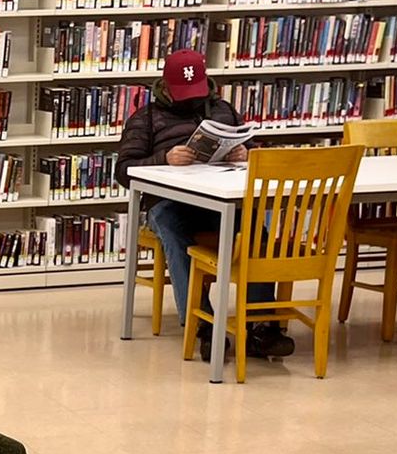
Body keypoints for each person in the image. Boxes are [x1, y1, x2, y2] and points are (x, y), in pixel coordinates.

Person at [113, 49, 295, 361]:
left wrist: (246, 154)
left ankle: (261, 325)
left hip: (217, 198)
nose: (191, 100)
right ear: (165, 87)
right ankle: (204, 325)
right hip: (168, 201)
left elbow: (252, 147)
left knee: (253, 228)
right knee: (173, 232)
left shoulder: (223, 110)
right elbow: (123, 170)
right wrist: (164, 158)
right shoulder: (146, 118)